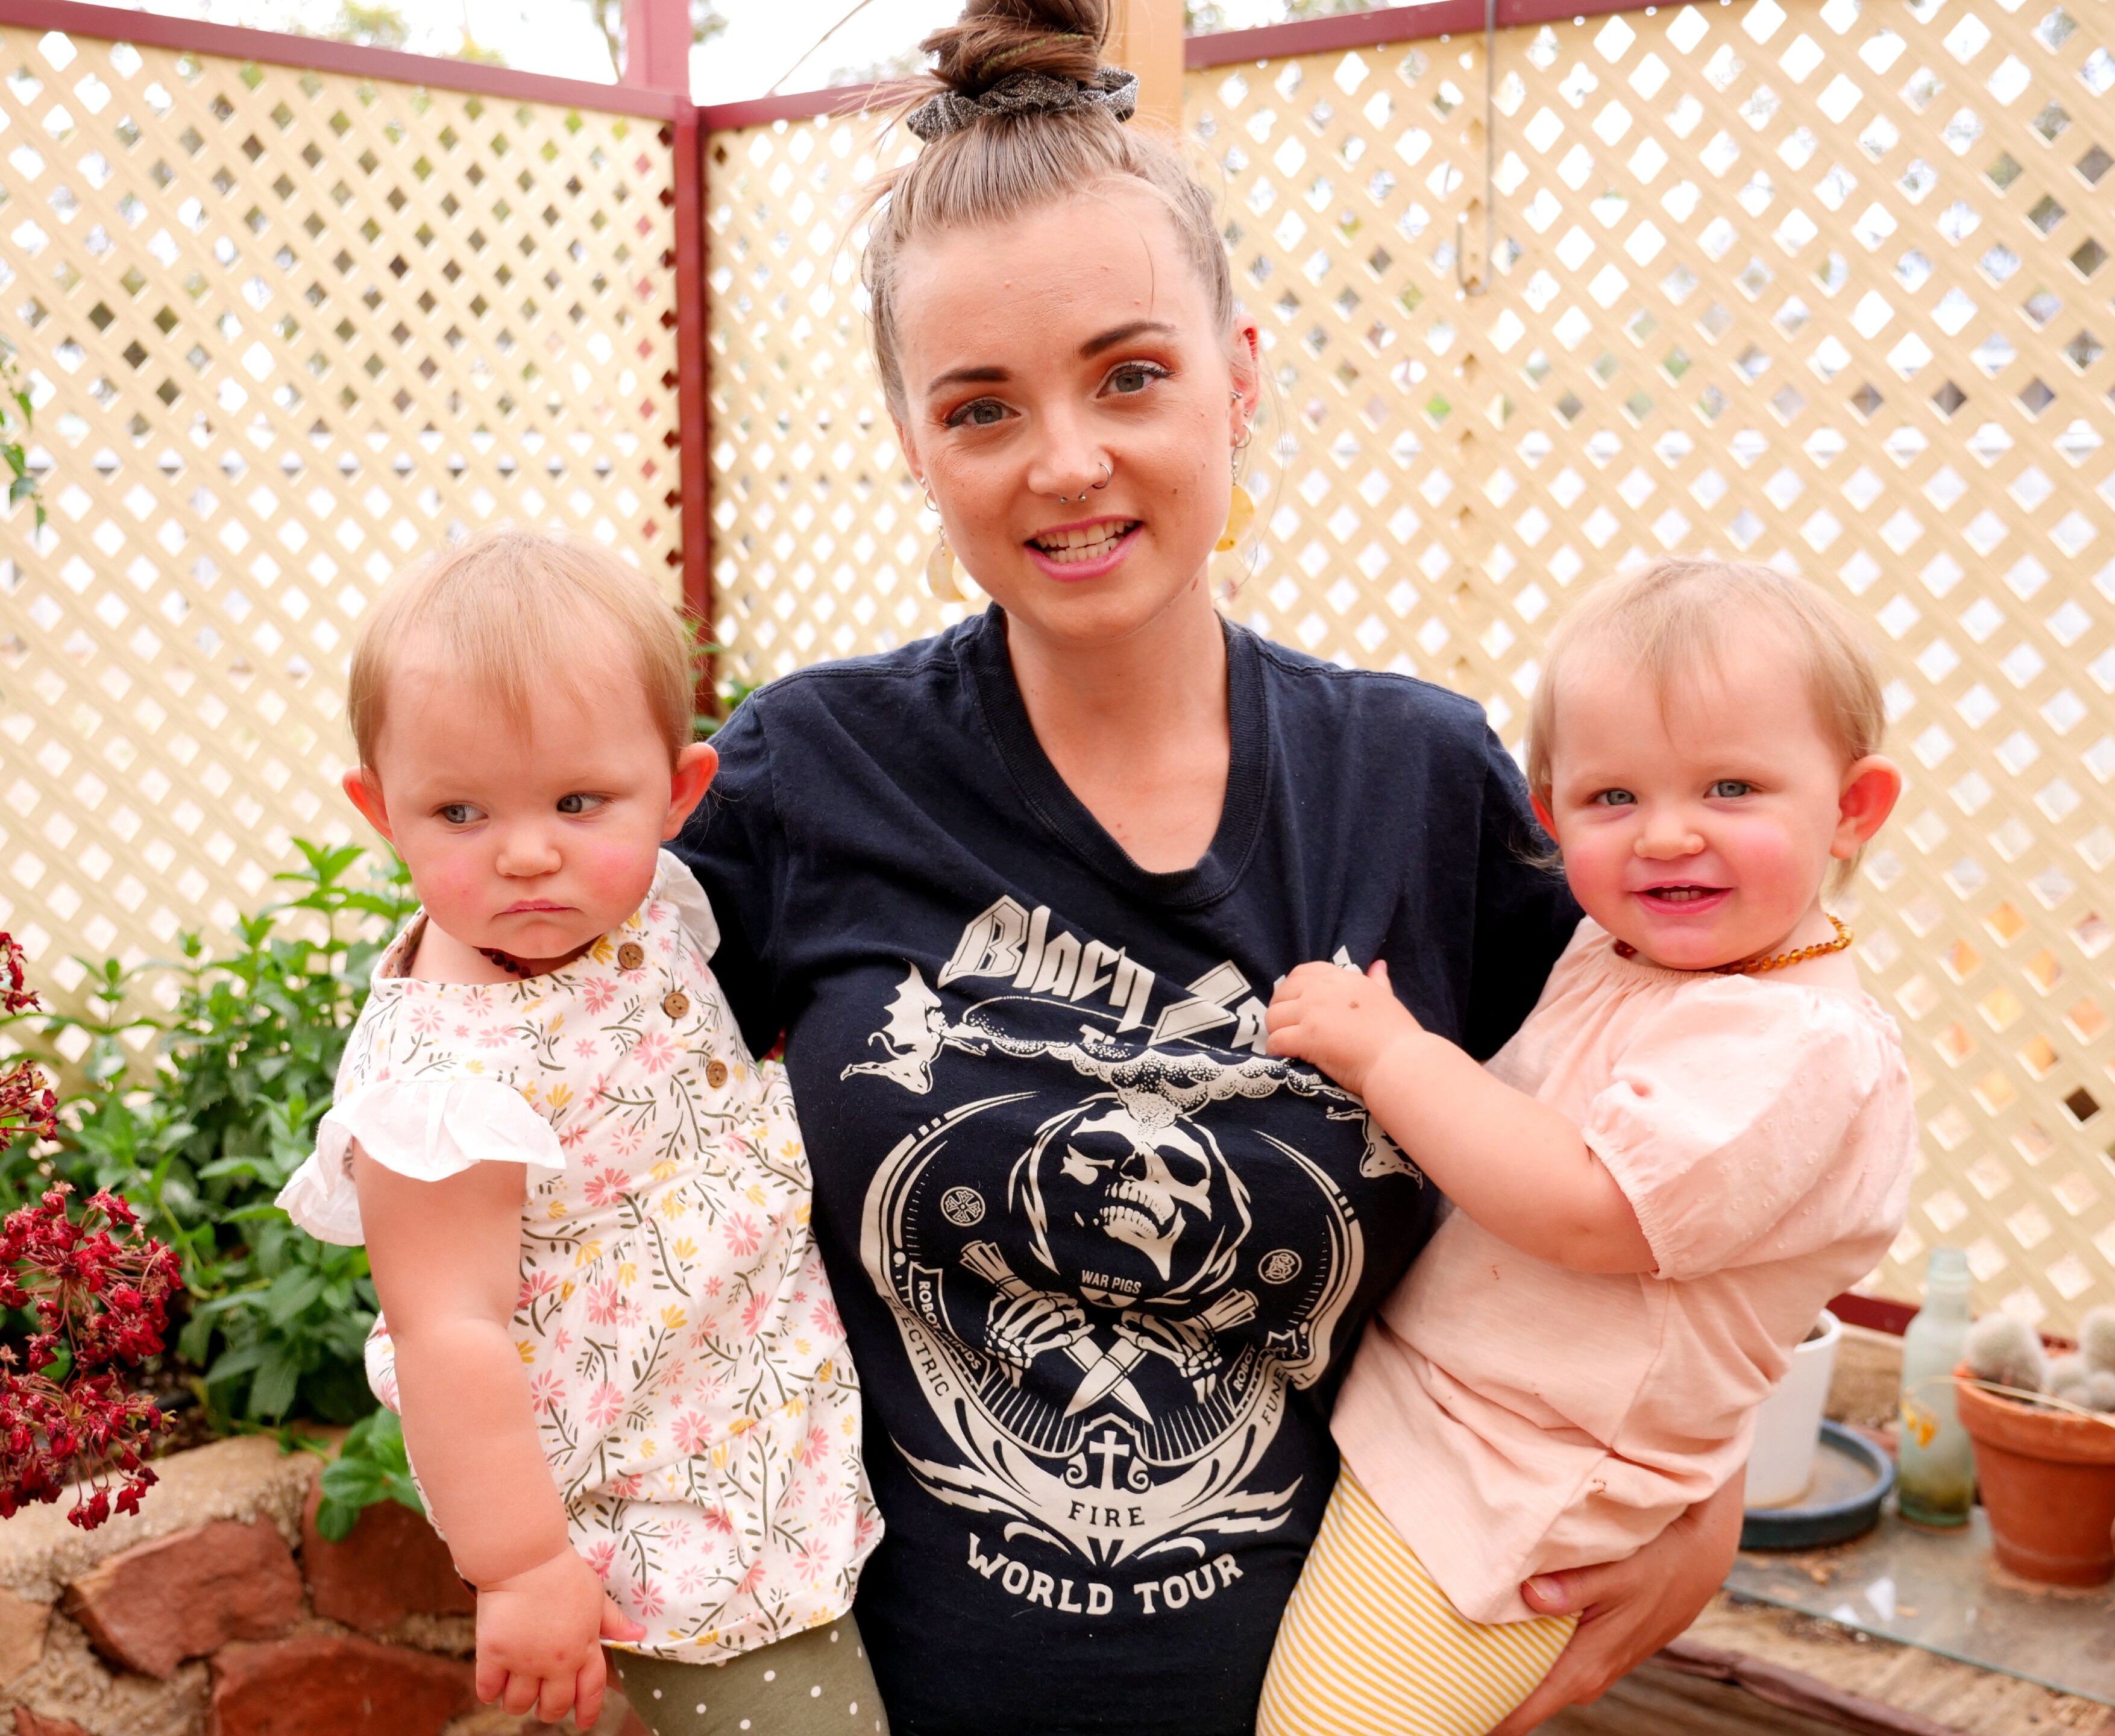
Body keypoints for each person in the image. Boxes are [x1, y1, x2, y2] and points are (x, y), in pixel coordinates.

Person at [674, 2, 1747, 1729]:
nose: (1066, 460)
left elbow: (1695, 1142)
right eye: (978, 408)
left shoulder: (1417, 783)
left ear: (1238, 372)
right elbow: (545, 1082)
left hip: (1338, 1687)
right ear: (909, 442)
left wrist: (1705, 1493)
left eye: (1128, 374)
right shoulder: (809, 771)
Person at [1255, 559, 1916, 1735]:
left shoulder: (1797, 1044)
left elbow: (1590, 1208)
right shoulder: (1624, 955)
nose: (1668, 837)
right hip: (1435, 1423)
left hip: (1521, 1487)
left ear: (1854, 809)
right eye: (1615, 799)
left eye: (1730, 787)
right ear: (1552, 817)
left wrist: (1387, 1056)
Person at [277, 528, 883, 1736]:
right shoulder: (444, 1086)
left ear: (680, 794)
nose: (529, 852)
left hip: (777, 1432)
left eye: (577, 800)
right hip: (668, 1518)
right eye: (458, 810)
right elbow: (446, 1331)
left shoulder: (654, 903)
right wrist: (518, 1567)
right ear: (379, 811)